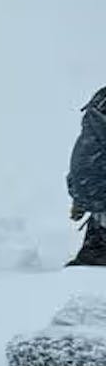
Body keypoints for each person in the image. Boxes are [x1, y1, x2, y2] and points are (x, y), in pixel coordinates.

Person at [67, 86, 106, 267]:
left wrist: (80, 199)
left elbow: (84, 159)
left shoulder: (99, 104)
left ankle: (93, 254)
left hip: (87, 185)